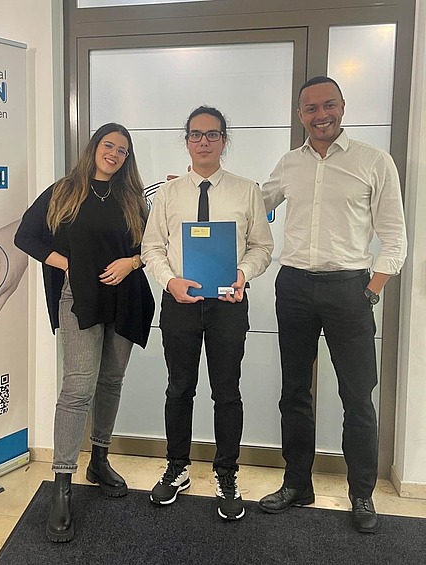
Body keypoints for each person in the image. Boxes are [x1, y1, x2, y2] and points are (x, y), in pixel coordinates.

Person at [258, 76, 407, 534]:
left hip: (350, 289)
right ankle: (296, 484)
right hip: (294, 286)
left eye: (328, 105)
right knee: (294, 392)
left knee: (357, 396)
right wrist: (197, 190)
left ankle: (361, 493)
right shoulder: (289, 163)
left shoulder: (374, 161)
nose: (320, 115)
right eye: (311, 108)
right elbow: (255, 204)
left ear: (342, 106)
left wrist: (371, 289)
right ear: (300, 114)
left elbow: (395, 236)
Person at [14, 123, 155, 543]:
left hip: (125, 294)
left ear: (127, 159)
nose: (114, 153)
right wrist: (65, 262)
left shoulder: (133, 198)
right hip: (79, 297)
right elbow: (25, 236)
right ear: (94, 147)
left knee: (111, 381)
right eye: (109, 145)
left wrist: (132, 262)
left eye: (122, 150)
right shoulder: (63, 191)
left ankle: (100, 460)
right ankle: (62, 485)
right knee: (77, 389)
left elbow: (153, 247)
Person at [141, 106, 273, 521]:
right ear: (186, 141)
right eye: (196, 134)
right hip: (179, 304)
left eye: (212, 134)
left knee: (227, 392)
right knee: (179, 389)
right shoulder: (169, 193)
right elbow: (151, 248)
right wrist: (170, 281)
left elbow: (263, 246)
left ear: (223, 141)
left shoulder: (246, 191)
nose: (204, 142)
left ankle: (226, 473)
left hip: (228, 306)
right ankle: (177, 467)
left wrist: (242, 273)